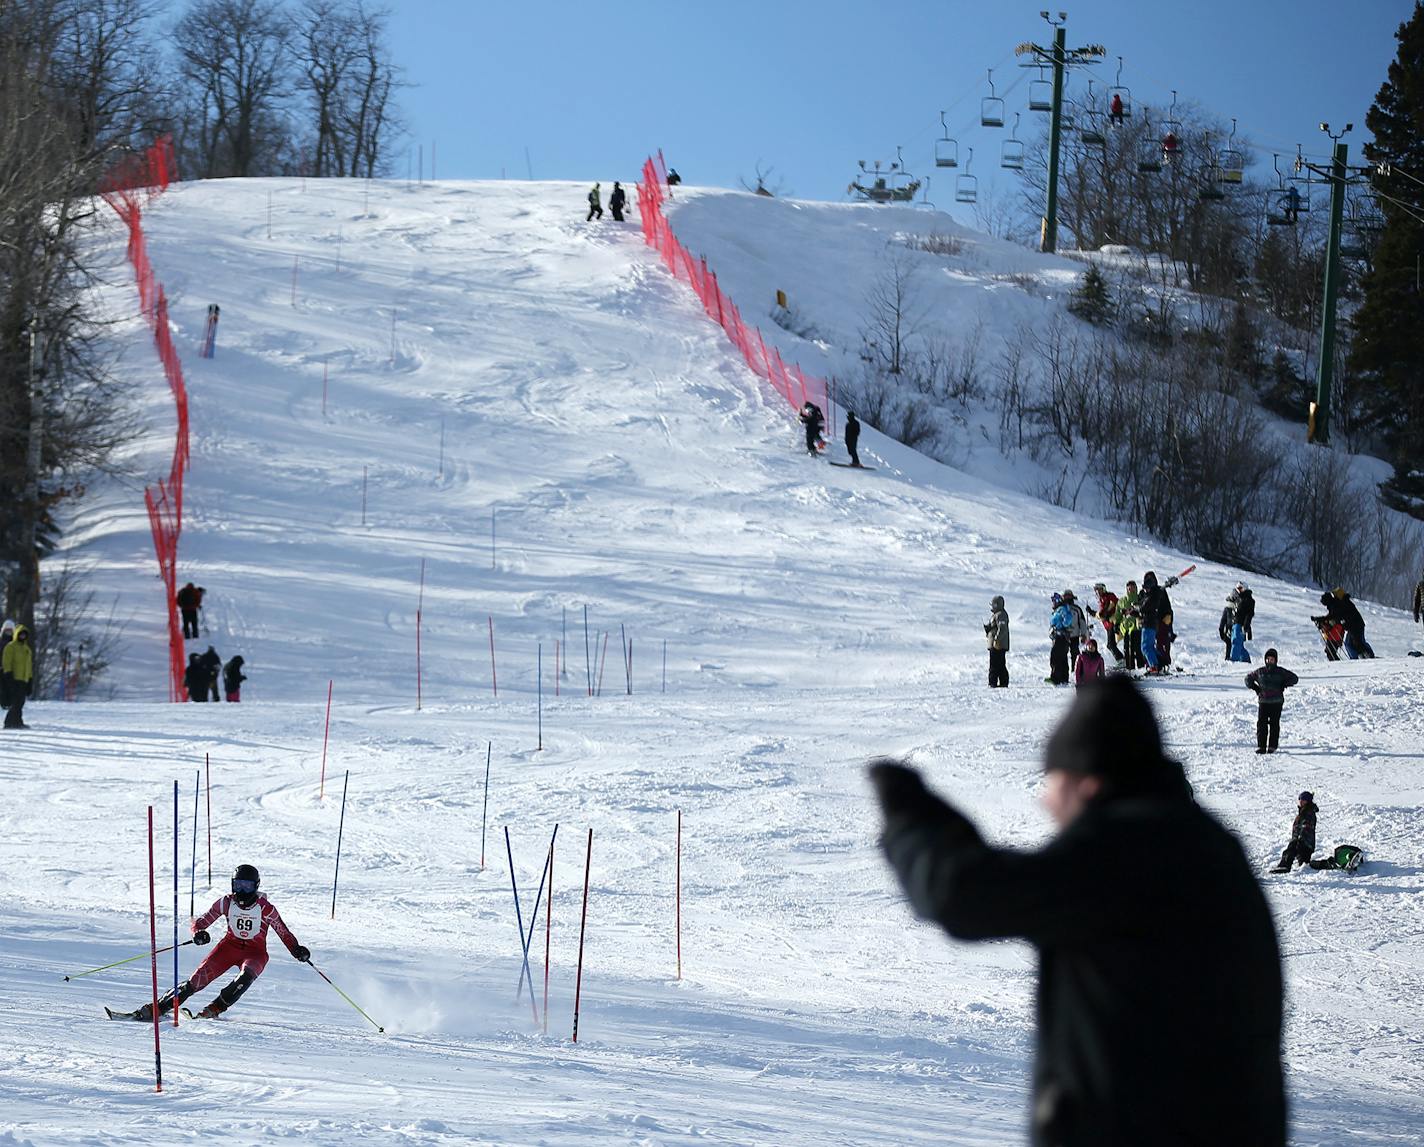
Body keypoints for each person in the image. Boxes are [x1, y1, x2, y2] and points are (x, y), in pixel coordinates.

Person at [869, 677, 1285, 1147]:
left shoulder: (1127, 849)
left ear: (1088, 781)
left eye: (1054, 781)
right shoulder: (1202, 843)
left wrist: (908, 817)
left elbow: (962, 894)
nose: (1045, 800)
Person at [113, 864, 310, 1022]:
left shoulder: (266, 908)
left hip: (255, 953)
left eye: (247, 886)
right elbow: (200, 922)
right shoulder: (225, 902)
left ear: (256, 886)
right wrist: (199, 933)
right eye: (238, 885)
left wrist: (296, 949)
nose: (241, 890)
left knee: (246, 976)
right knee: (196, 982)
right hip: (228, 948)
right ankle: (155, 1009)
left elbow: (283, 932)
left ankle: (214, 1008)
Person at [1246, 648, 1299, 754]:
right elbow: (1248, 679)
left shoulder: (1280, 671)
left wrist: (1284, 683)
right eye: (1268, 659)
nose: (1270, 661)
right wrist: (1256, 688)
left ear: (1275, 660)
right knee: (1262, 724)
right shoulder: (1260, 671)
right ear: (1265, 660)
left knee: (1274, 724)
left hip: (1277, 702)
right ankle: (1261, 746)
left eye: (1272, 659)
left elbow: (1295, 678)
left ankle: (1272, 746)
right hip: (1263, 702)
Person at [1270, 792, 1317, 873]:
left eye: (1303, 800)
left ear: (1308, 801)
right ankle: (1304, 864)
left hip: (1304, 842)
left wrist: (1299, 839)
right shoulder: (1304, 812)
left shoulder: (1308, 813)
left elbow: (1307, 827)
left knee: (1291, 849)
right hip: (1305, 844)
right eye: (1300, 799)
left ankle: (1284, 866)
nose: (1301, 801)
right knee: (1304, 864)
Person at [1324, 588, 1374, 659]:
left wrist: (1340, 620)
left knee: (1357, 643)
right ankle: (1355, 657)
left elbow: (1344, 615)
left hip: (1356, 626)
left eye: (1335, 595)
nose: (1334, 597)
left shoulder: (1345, 603)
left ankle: (1367, 655)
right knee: (1349, 644)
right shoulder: (1343, 602)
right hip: (1352, 627)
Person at [1135, 570, 1169, 673]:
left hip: (1149, 623)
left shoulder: (1153, 595)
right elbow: (1140, 605)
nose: (1145, 589)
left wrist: (1137, 608)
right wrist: (1133, 609)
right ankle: (1161, 663)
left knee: (1145, 647)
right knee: (1150, 647)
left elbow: (1143, 607)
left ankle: (1154, 666)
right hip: (1148, 623)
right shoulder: (1148, 594)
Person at [2, 624, 34, 729]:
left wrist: (30, 680)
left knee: (21, 701)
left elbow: (28, 666)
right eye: (21, 635)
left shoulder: (27, 650)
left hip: (24, 678)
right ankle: (9, 722)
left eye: (24, 635)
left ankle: (18, 721)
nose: (22, 637)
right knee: (16, 701)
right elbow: (7, 662)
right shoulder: (11, 647)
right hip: (14, 677)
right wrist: (8, 674)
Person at [1087, 583, 1121, 663]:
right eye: (1096, 590)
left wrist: (1107, 611)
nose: (1098, 592)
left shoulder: (1109, 596)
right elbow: (1101, 614)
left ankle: (1121, 660)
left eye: (1099, 589)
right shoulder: (1102, 600)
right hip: (1108, 625)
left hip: (1113, 623)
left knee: (1111, 644)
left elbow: (1115, 603)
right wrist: (1092, 612)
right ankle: (1120, 660)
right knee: (1110, 644)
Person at [1115, 580, 1141, 670]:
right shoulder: (1122, 601)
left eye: (1133, 588)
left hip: (1137, 628)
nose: (1131, 590)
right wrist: (1117, 624)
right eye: (1129, 589)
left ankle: (1141, 667)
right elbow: (1118, 613)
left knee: (1137, 648)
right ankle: (1129, 668)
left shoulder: (1139, 598)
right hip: (1126, 628)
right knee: (1127, 649)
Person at [1048, 592, 1073, 685]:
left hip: (1061, 637)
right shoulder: (1058, 610)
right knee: (1062, 657)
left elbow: (1067, 621)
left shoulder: (1062, 609)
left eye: (1054, 601)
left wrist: (1060, 626)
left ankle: (1056, 678)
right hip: (1058, 637)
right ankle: (1063, 678)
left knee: (1055, 657)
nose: (1053, 603)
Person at [985, 595, 1010, 688]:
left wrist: (996, 639)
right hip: (995, 644)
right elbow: (996, 626)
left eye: (993, 605)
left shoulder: (1001, 614)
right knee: (998, 664)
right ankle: (1001, 682)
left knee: (996, 665)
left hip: (998, 645)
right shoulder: (996, 615)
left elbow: (1002, 628)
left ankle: (993, 683)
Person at [1062, 589, 1088, 670]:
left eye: (1069, 596)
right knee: (1062, 655)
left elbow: (1082, 622)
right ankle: (1063, 673)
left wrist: (1083, 634)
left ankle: (1076, 671)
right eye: (1066, 596)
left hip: (1074, 635)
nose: (1067, 597)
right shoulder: (1060, 609)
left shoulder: (1077, 609)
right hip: (1062, 636)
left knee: (1075, 654)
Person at [0, 619, 13, 711]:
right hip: (1, 668)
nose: (8, 632)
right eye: (7, 630)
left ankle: (9, 702)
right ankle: (4, 703)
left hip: (12, 669)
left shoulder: (15, 643)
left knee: (10, 687)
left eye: (10, 630)